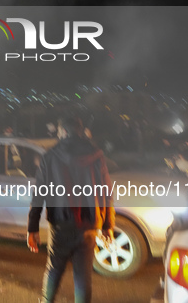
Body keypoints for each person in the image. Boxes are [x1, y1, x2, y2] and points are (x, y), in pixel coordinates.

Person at [27, 116, 115, 303]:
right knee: (83, 276)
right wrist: (108, 225)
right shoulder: (96, 156)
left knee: (54, 269)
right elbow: (107, 193)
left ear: (63, 132)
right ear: (79, 131)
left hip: (61, 224)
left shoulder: (49, 157)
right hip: (90, 225)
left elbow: (39, 194)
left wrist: (32, 228)